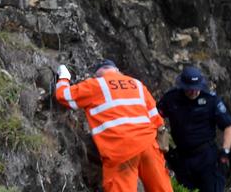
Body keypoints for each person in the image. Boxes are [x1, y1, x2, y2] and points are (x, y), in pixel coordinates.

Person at [54, 59, 173, 192]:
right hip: (149, 146)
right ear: (116, 70)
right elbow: (157, 119)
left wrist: (64, 76)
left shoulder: (96, 84)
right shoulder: (137, 85)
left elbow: (63, 96)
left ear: (97, 74)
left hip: (121, 148)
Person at [157, 66, 231, 192]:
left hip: (206, 157)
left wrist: (225, 152)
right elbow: (155, 117)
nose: (194, 92)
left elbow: (228, 126)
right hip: (182, 159)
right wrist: (163, 143)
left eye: (196, 88)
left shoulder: (210, 99)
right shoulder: (172, 99)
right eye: (190, 89)